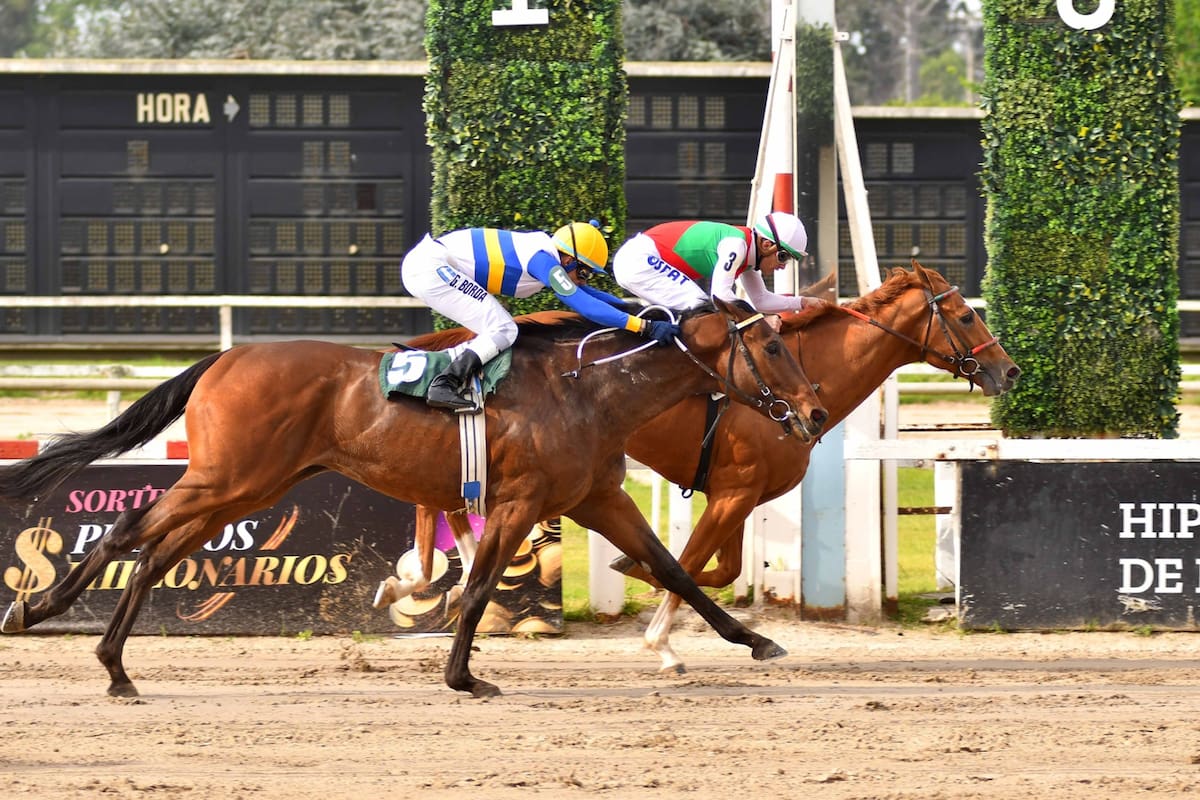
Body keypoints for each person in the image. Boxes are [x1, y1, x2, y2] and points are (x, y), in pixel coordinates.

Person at [400, 221, 680, 411]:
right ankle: (445, 383)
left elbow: (588, 294)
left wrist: (634, 309)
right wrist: (643, 326)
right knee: (503, 329)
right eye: (584, 272)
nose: (584, 279)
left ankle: (449, 376)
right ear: (568, 259)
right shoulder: (542, 259)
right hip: (430, 267)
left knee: (496, 328)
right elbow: (584, 305)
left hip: (430, 265)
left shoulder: (549, 257)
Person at [610, 212, 823, 314]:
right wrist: (759, 322)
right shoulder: (736, 246)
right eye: (783, 257)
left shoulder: (748, 259)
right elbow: (720, 297)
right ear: (767, 245)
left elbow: (761, 300)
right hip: (639, 260)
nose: (783, 266)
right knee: (702, 308)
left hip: (640, 260)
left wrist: (802, 302)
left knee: (700, 311)